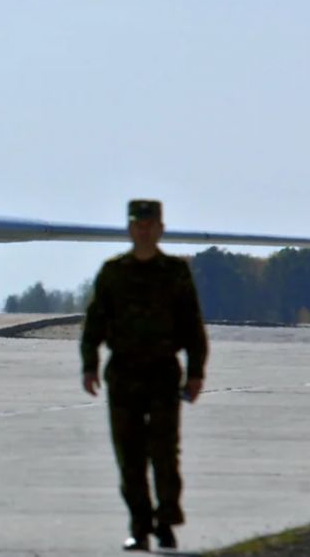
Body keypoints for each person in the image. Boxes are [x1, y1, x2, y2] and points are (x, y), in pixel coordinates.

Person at [80, 199, 209, 551]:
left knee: (165, 452)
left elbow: (192, 326)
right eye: (138, 223)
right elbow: (94, 323)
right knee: (129, 455)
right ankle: (139, 526)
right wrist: (89, 365)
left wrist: (196, 372)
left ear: (160, 228)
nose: (144, 229)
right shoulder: (113, 272)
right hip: (123, 373)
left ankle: (166, 522)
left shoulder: (175, 272)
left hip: (163, 373)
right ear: (130, 228)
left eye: (150, 224)